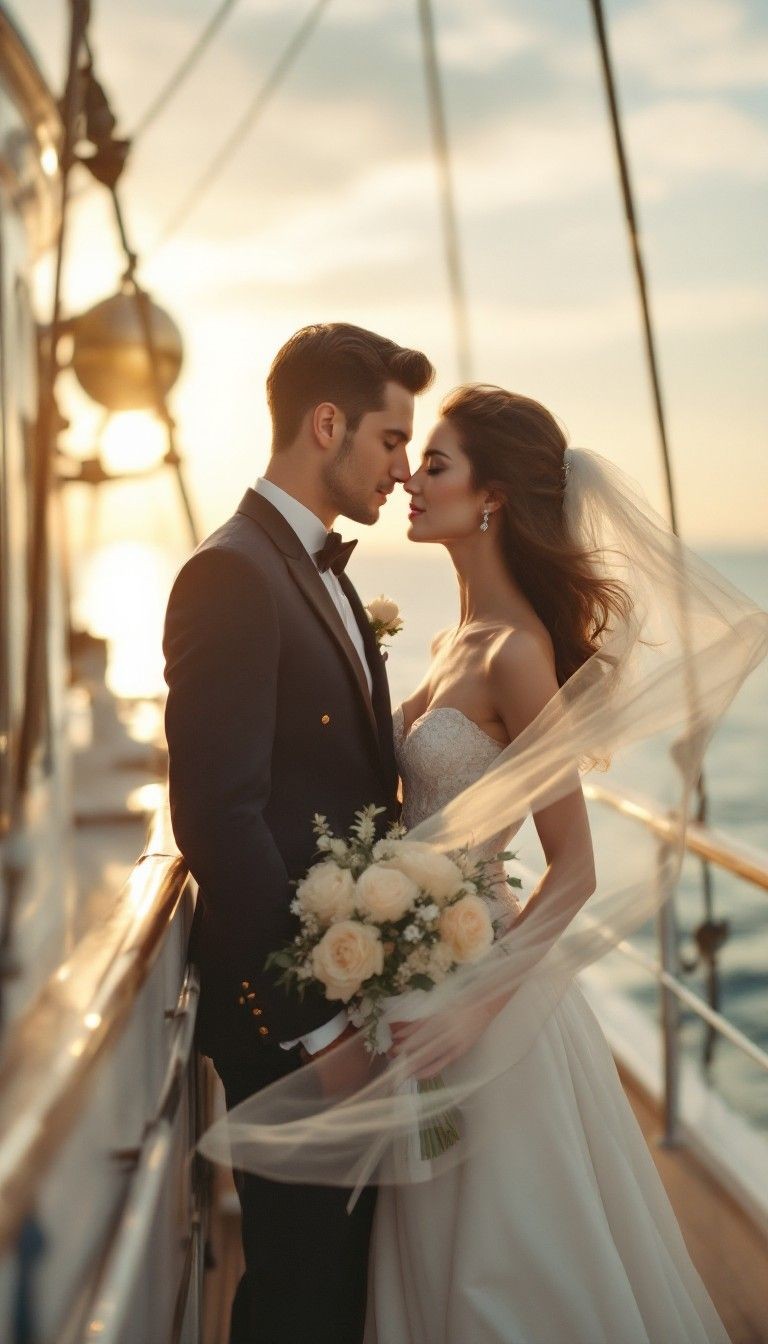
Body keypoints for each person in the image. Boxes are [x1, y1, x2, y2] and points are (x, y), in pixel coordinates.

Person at [365, 384, 733, 1342]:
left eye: (434, 464)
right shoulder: (451, 643)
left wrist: (472, 1007)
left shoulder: (516, 655)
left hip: (483, 1000)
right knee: (438, 1250)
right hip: (423, 970)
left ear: (490, 499)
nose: (410, 478)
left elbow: (573, 869)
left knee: (511, 1269)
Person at [162, 322, 434, 1344]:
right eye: (391, 441)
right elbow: (219, 814)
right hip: (288, 1021)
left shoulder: (312, 567)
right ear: (328, 425)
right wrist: (318, 1028)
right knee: (300, 1291)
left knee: (341, 1281)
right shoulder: (232, 572)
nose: (401, 469)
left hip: (340, 994)